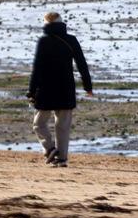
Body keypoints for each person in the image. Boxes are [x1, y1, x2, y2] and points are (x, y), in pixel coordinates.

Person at [27, 12, 93, 167]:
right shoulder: (71, 40)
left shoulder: (43, 41)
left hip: (45, 90)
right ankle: (61, 158)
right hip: (66, 89)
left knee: (38, 124)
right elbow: (82, 64)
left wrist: (31, 90)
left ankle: (50, 149)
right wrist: (88, 87)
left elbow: (37, 68)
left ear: (45, 24)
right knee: (62, 126)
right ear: (62, 23)